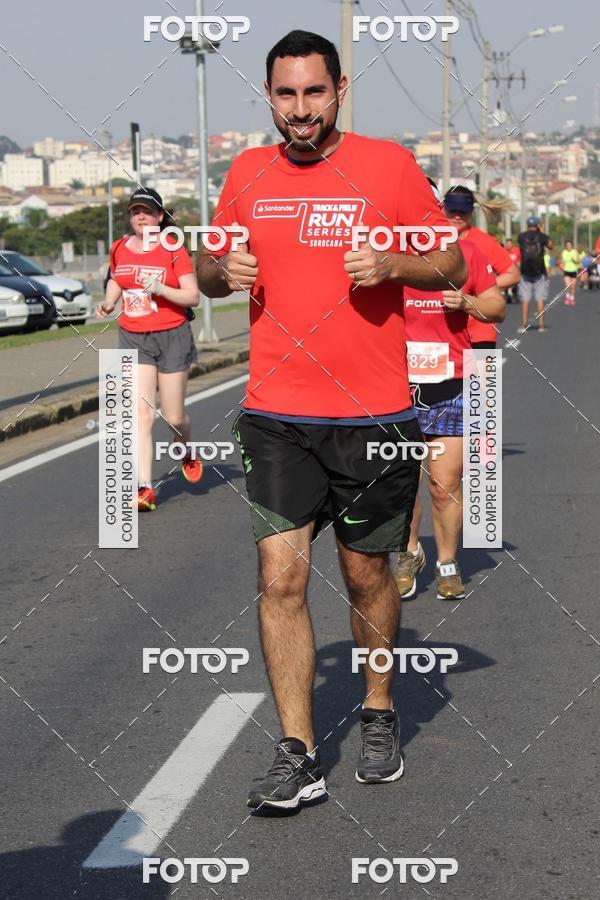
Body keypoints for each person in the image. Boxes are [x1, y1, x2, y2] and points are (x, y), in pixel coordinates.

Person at [198, 30, 467, 808]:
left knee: (364, 571)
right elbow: (210, 271)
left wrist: (395, 266)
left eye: (314, 93)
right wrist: (222, 268)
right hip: (277, 414)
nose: (300, 110)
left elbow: (448, 262)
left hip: (374, 415)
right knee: (279, 575)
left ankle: (379, 709)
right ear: (270, 97)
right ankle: (298, 751)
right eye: (285, 95)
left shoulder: (385, 165)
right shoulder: (248, 173)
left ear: (339, 91)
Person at [397, 197, 505, 600]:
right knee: (403, 483)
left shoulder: (467, 253)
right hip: (396, 387)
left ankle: (447, 562)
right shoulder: (388, 255)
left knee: (444, 484)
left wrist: (468, 303)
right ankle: (409, 553)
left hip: (452, 384)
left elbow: (497, 307)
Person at [96, 188, 201, 511]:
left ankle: (185, 447)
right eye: (134, 212)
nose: (140, 217)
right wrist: (110, 300)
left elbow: (192, 297)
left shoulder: (173, 250)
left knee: (173, 417)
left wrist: (159, 288)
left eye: (147, 211)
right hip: (134, 336)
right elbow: (117, 278)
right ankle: (144, 486)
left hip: (172, 335)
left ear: (159, 217)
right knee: (140, 414)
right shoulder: (119, 248)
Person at [442, 186, 519, 349]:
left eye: (463, 211)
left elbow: (513, 274)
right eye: (452, 210)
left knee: (487, 375)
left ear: (471, 212)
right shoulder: (430, 239)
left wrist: (482, 288)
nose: (457, 216)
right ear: (442, 208)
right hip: (447, 334)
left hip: (481, 330)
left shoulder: (485, 242)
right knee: (454, 375)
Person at [516, 216, 552, 332]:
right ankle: (541, 326)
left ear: (527, 225)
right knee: (540, 299)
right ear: (537, 225)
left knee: (525, 300)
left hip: (525, 272)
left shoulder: (521, 236)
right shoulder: (542, 236)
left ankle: (523, 325)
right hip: (539, 272)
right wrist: (541, 231)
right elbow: (551, 246)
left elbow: (519, 243)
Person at [560, 240, 581, 306]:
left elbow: (578, 261)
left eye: (570, 245)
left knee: (573, 285)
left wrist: (574, 260)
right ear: (566, 246)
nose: (568, 246)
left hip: (574, 271)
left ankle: (572, 297)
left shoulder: (575, 252)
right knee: (568, 285)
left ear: (572, 245)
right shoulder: (563, 252)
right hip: (566, 271)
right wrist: (561, 268)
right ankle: (567, 297)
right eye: (567, 245)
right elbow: (561, 261)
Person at [503, 238, 521, 303]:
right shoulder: (503, 250)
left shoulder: (516, 250)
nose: (508, 245)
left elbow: (519, 260)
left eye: (510, 243)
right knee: (506, 284)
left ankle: (515, 295)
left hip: (515, 270)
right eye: (507, 244)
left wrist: (519, 269)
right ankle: (507, 296)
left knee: (515, 284)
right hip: (505, 270)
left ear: (512, 244)